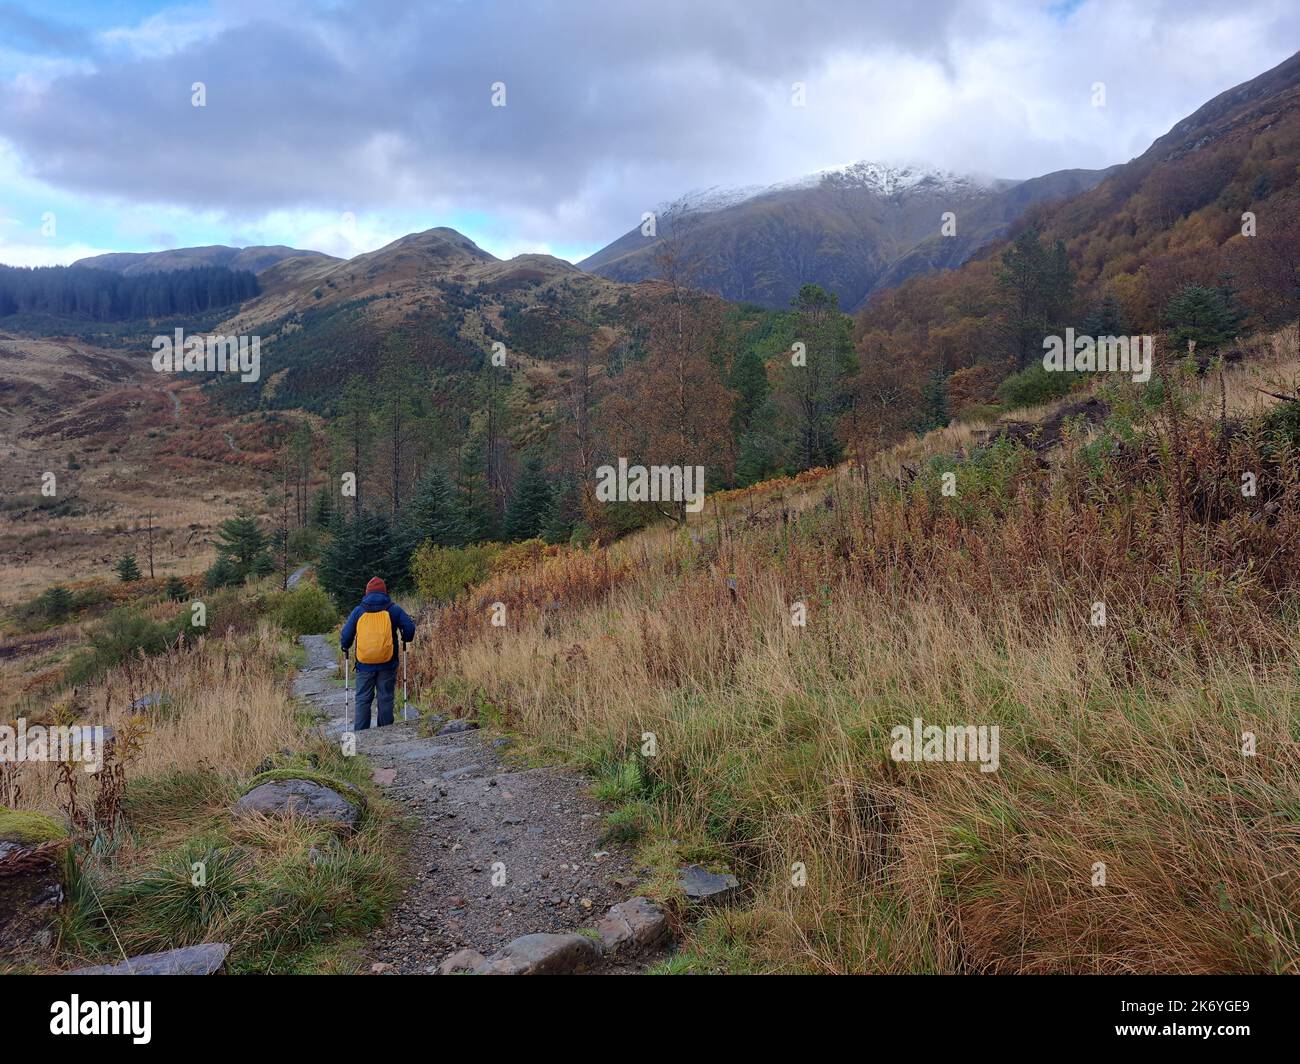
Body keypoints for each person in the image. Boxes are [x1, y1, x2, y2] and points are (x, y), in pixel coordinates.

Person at [340, 577, 416, 730]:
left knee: (362, 699)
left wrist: (345, 646)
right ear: (384, 592)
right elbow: (409, 628)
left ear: (367, 592)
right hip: (387, 663)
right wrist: (406, 638)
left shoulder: (358, 611)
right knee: (385, 697)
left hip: (364, 664)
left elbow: (346, 634)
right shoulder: (393, 609)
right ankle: (385, 732)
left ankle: (361, 734)